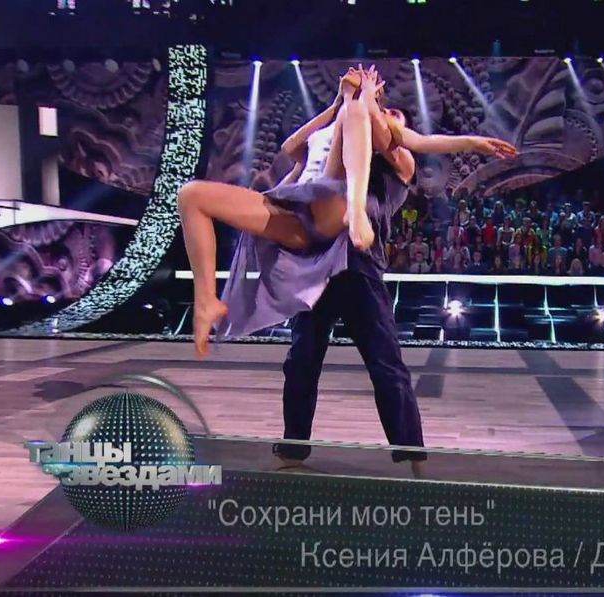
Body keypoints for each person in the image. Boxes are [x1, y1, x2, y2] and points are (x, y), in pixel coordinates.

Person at [179, 65, 517, 471]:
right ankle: (291, 446)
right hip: (311, 247)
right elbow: (292, 146)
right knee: (301, 359)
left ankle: (412, 453)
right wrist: (341, 100)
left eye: (394, 115)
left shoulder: (401, 161)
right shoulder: (345, 124)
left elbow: (406, 135)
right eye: (386, 111)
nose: (386, 115)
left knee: (385, 363)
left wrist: (369, 101)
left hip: (357, 262)